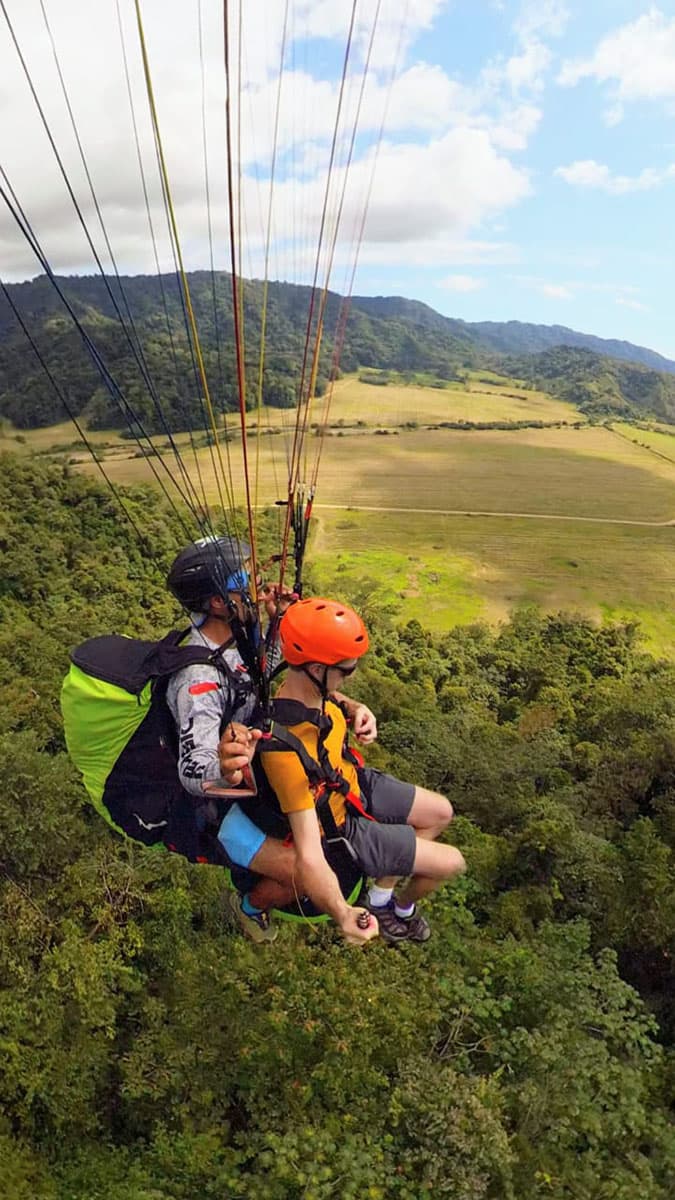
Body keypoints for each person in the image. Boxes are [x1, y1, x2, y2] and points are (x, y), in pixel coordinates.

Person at [220, 597, 466, 945]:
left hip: (349, 782)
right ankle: (401, 907)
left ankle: (381, 900)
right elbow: (308, 853)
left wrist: (355, 709)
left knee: (441, 812)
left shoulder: (308, 692)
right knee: (452, 863)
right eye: (346, 670)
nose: (351, 677)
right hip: (339, 822)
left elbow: (325, 704)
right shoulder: (284, 753)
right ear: (317, 670)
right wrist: (341, 912)